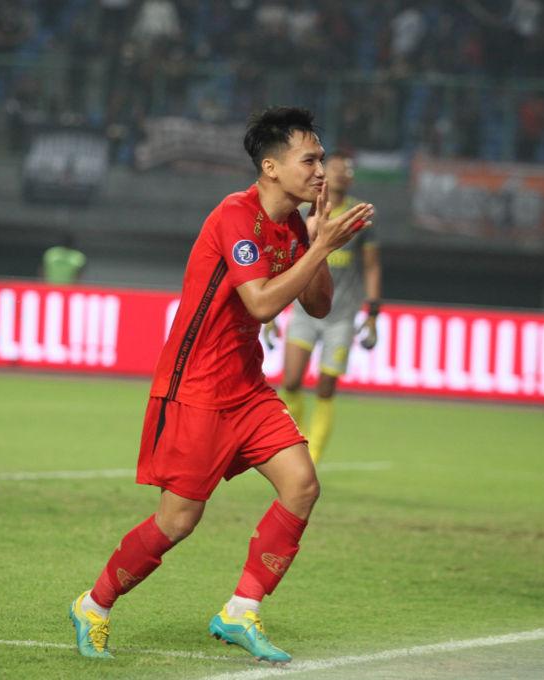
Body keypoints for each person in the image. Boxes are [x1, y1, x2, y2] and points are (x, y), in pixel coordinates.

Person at [68, 107, 374, 664]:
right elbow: (258, 301)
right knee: (178, 521)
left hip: (246, 385)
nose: (321, 170)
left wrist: (314, 240)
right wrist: (322, 247)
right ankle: (94, 603)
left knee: (302, 484)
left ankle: (241, 610)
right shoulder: (236, 215)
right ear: (271, 166)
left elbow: (321, 304)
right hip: (197, 387)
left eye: (323, 159)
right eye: (310, 159)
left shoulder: (290, 226)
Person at [268, 150, 381, 464]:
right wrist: (271, 314)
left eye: (347, 169)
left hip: (341, 317)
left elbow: (371, 267)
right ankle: (297, 440)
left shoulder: (359, 216)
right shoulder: (306, 212)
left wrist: (372, 313)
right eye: (335, 168)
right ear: (323, 173)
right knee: (290, 381)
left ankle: (313, 455)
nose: (342, 173)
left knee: (326, 387)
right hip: (304, 312)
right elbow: (286, 261)